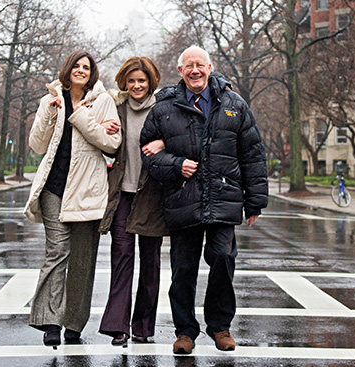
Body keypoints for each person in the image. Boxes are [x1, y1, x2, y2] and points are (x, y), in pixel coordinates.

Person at [140, 46, 268, 354]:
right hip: (183, 200)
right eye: (188, 66)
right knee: (183, 269)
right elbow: (147, 154)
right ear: (180, 71)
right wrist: (175, 164)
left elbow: (252, 154)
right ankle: (185, 331)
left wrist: (255, 202)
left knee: (223, 259)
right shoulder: (163, 108)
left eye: (200, 65)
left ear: (209, 67)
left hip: (224, 199)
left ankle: (220, 326)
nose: (195, 70)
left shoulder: (234, 104)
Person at [23, 50, 122, 349]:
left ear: (92, 72)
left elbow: (112, 144)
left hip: (88, 191)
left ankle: (74, 324)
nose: (81, 70)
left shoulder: (103, 101)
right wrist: (50, 113)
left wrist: (81, 117)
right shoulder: (51, 98)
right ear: (67, 69)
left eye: (86, 67)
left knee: (82, 260)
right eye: (76, 66)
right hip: (54, 188)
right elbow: (37, 145)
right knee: (57, 253)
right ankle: (51, 322)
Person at [97, 57, 167, 347]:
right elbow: (101, 144)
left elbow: (182, 139)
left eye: (142, 80)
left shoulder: (164, 110)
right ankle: (118, 327)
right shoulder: (116, 108)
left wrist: (164, 143)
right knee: (122, 257)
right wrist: (105, 130)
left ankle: (143, 327)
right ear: (123, 82)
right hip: (122, 195)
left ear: (151, 82)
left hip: (152, 195)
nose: (137, 85)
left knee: (150, 262)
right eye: (131, 81)